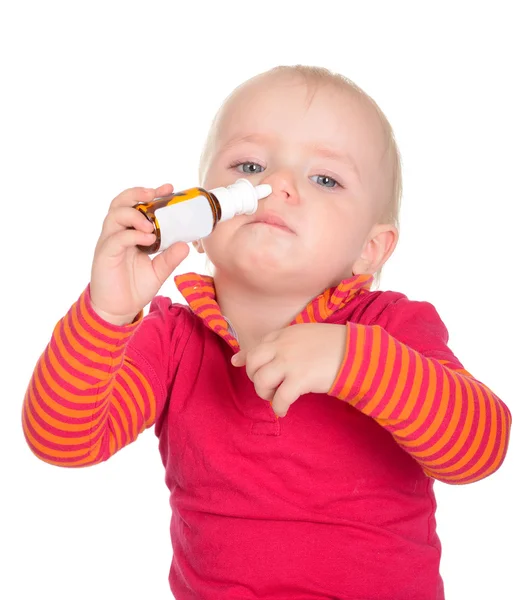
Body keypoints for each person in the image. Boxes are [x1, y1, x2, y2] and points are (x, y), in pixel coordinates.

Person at [22, 65, 512, 600]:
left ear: (369, 250)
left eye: (324, 178)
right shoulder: (172, 341)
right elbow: (62, 441)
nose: (276, 184)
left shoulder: (389, 329)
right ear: (199, 216)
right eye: (250, 165)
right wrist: (108, 314)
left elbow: (481, 450)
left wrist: (355, 360)